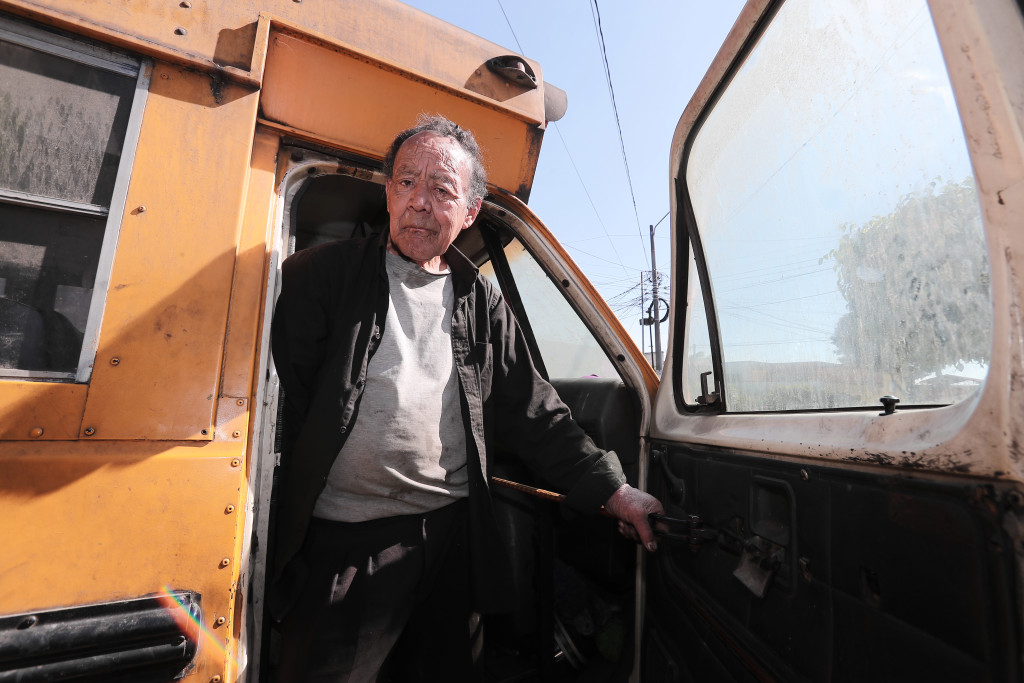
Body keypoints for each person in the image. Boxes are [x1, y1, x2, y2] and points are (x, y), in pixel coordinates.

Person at [270, 114, 663, 681]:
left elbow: (534, 411)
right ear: (387, 191)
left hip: (450, 535)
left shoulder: (480, 303)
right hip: (345, 542)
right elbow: (292, 397)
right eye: (406, 182)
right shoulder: (319, 277)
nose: (420, 202)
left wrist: (615, 491)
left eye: (441, 189)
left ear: (471, 211)